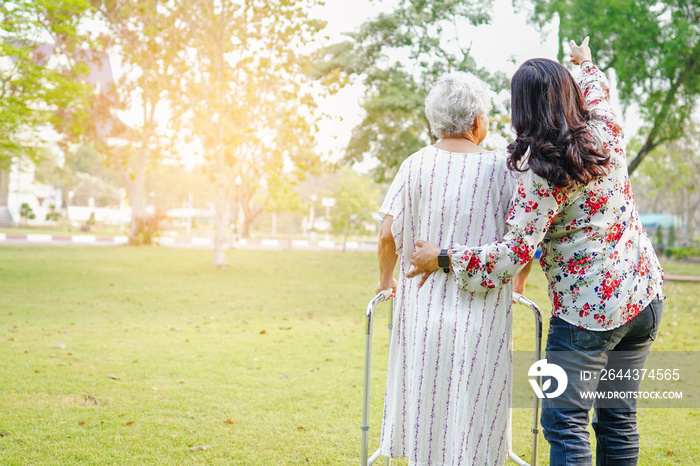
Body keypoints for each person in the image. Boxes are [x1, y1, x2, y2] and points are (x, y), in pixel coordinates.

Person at [408, 38, 664, 465]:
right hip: (643, 297)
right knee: (618, 420)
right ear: (569, 92)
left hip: (588, 318)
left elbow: (512, 255)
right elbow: (597, 88)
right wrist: (585, 61)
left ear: (521, 109)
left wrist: (443, 258)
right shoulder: (606, 128)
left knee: (565, 424)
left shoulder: (543, 173)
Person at [375, 71, 530, 466]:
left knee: (427, 409)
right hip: (485, 317)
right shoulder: (504, 169)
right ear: (478, 121)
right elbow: (523, 242)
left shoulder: (414, 165)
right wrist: (519, 285)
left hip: (423, 316)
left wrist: (385, 279)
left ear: (435, 120)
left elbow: (387, 235)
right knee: (479, 410)